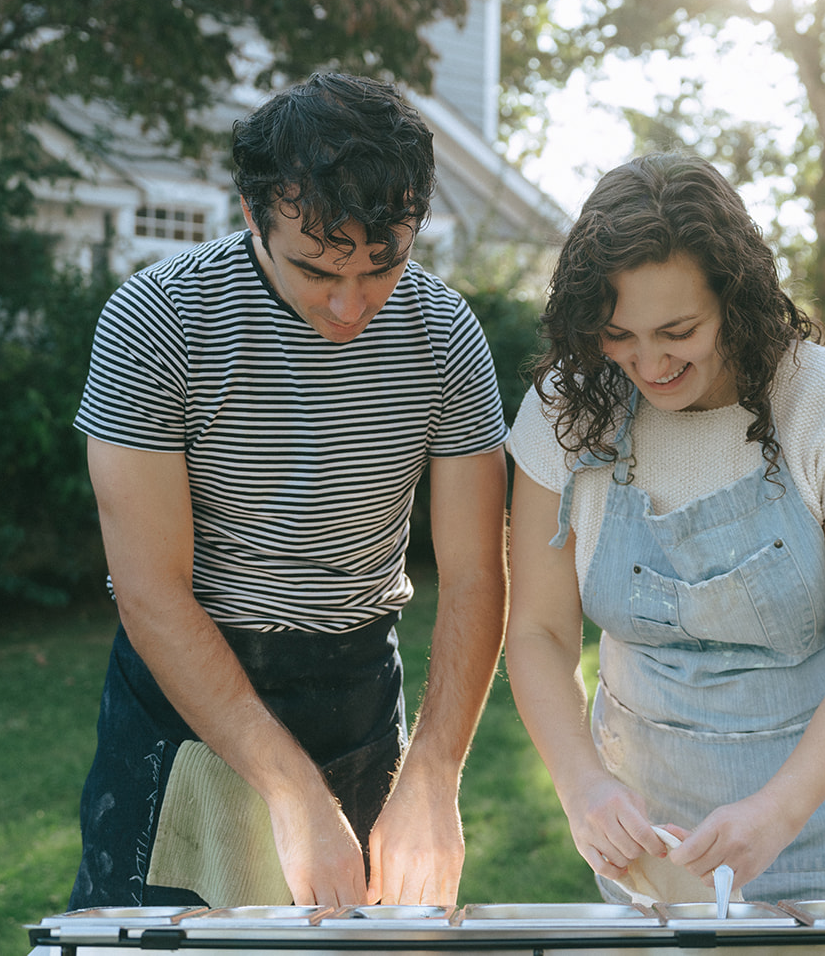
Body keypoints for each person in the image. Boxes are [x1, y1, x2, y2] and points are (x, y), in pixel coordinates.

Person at [68, 72, 509, 911]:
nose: (352, 306)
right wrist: (291, 790)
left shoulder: (448, 337)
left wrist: (437, 772)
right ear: (250, 212)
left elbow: (477, 575)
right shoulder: (157, 321)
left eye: (384, 267)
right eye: (317, 269)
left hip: (359, 693)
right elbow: (152, 593)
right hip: (188, 701)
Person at [504, 151, 825, 904]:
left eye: (678, 330)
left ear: (736, 298)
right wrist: (582, 784)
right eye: (617, 333)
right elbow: (537, 631)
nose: (649, 361)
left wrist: (776, 810)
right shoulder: (564, 411)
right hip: (646, 837)